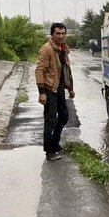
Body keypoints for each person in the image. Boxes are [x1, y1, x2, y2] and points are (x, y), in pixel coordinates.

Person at [36, 22, 75, 161]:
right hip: (49, 89)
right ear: (52, 34)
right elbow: (39, 70)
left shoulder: (63, 49)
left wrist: (70, 88)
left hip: (59, 89)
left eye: (63, 33)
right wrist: (41, 92)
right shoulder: (47, 49)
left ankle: (55, 143)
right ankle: (49, 151)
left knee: (64, 117)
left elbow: (65, 71)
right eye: (58, 33)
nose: (61, 36)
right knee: (50, 120)